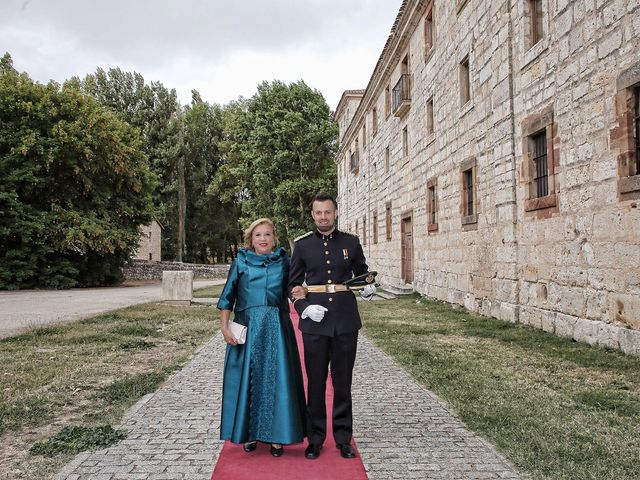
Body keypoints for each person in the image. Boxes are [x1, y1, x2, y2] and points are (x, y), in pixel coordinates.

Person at [288, 192, 376, 460]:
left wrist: (367, 288)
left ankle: (343, 438)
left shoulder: (351, 241)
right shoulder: (302, 246)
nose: (323, 217)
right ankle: (315, 438)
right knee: (315, 382)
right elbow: (292, 286)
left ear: (335, 213)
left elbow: (362, 272)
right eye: (318, 213)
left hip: (345, 321)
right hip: (315, 322)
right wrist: (304, 309)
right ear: (312, 215)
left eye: (328, 212)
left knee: (343, 382)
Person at [218, 218, 306, 457]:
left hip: (277, 327)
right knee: (250, 380)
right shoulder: (241, 261)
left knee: (277, 381)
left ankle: (277, 437)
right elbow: (227, 297)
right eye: (258, 235)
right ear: (251, 238)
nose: (263, 239)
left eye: (267, 234)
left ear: (273, 237)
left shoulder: (284, 261)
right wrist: (225, 328)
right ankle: (250, 433)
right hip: (248, 327)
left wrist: (301, 291)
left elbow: (292, 288)